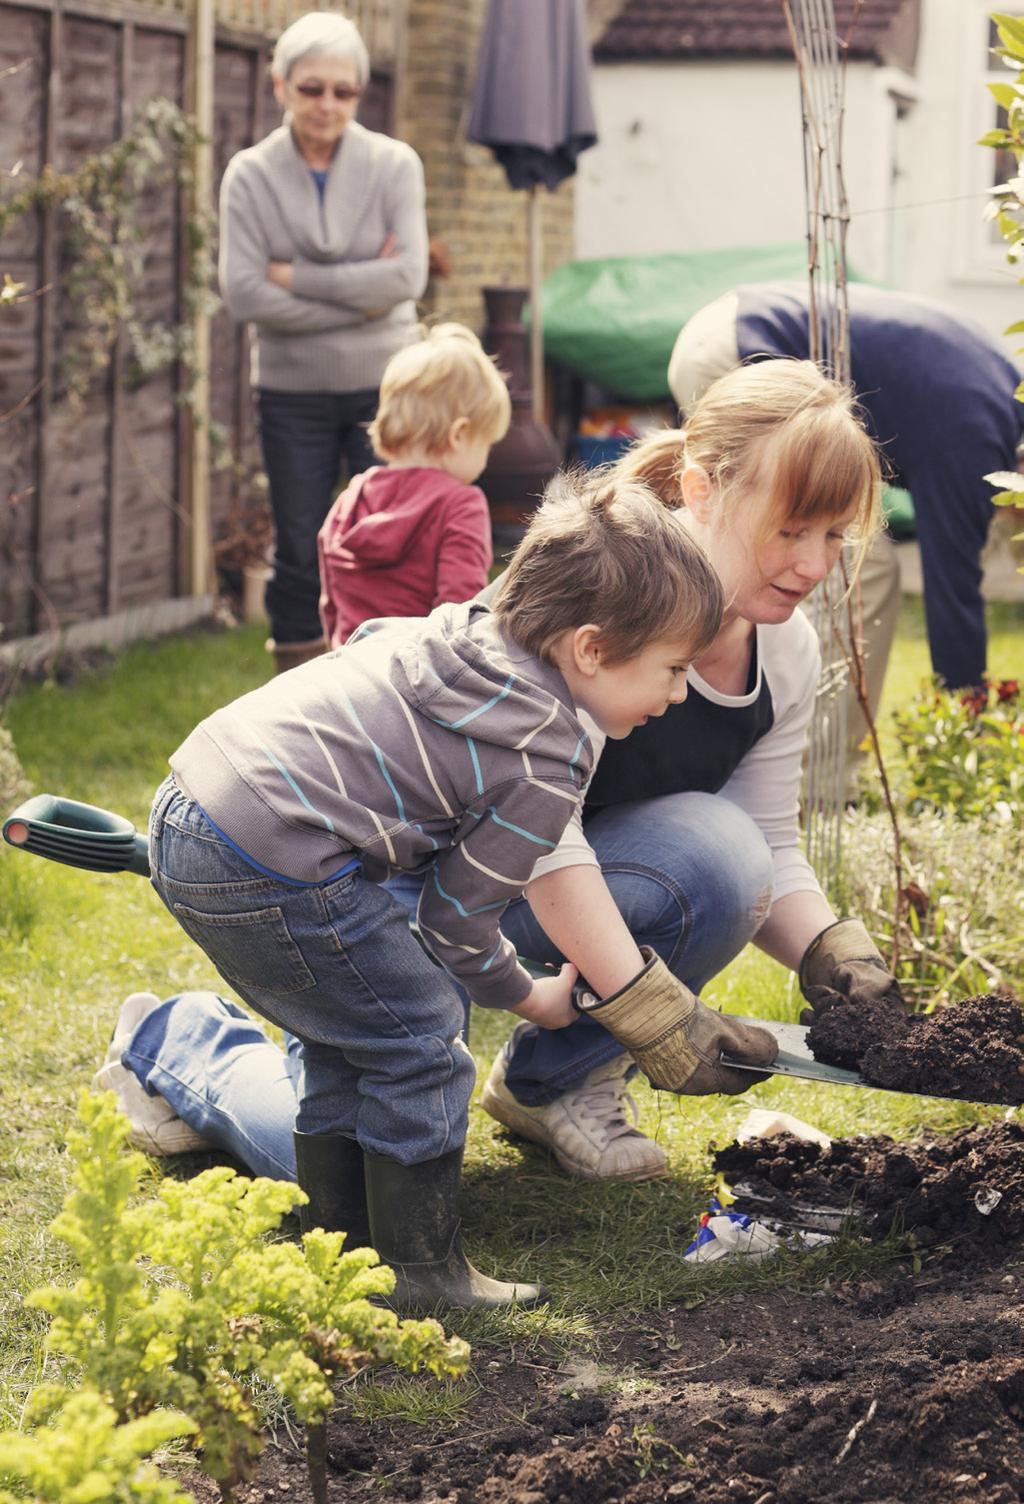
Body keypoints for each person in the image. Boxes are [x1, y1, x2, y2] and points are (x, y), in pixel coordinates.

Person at [98, 360, 899, 1207]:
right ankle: (176, 1042)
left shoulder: (787, 650)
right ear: (701, 490)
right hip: (399, 890)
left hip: (534, 891)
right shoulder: (609, 592)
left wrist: (830, 952)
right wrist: (644, 1006)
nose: (814, 563)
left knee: (729, 856)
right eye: (791, 530)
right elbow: (546, 832)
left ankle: (552, 1087)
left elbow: (768, 837)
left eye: (834, 536)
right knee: (337, 1167)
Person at [97, 473, 779, 1312]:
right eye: (672, 669)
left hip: (199, 802)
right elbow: (455, 921)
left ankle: (343, 1251)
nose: (678, 694)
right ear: (592, 649)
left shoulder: (468, 635)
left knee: (355, 1036)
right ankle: (423, 1276)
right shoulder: (544, 749)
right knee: (421, 1032)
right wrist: (529, 997)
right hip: (272, 851)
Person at [667, 281, 1023, 709]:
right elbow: (953, 588)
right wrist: (971, 713)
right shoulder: (977, 444)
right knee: (865, 573)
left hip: (730, 323)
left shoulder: (1004, 393)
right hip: (747, 351)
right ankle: (811, 754)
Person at [218, 12, 429, 675]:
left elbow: (408, 278)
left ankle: (395, 681)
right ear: (279, 86)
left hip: (387, 389)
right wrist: (364, 300)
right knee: (301, 548)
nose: (327, 105)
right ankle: (298, 693)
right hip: (292, 391)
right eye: (311, 88)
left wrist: (297, 279)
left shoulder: (396, 164)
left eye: (343, 91)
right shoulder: (248, 175)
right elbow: (246, 295)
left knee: (394, 536)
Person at [317, 323, 508, 648]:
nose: (486, 459)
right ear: (459, 435)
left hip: (349, 677)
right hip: (418, 683)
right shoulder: (461, 504)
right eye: (486, 443)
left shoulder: (350, 498)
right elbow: (460, 621)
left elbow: (331, 605)